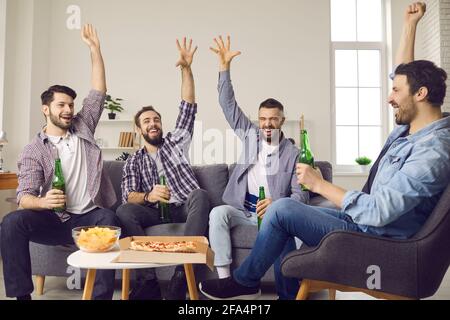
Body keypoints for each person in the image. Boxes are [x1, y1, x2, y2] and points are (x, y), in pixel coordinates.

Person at [199, 2, 450, 300]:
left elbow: (380, 211)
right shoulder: (410, 130)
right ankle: (262, 286)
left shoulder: (433, 149)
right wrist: (409, 26)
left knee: (279, 210)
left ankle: (247, 282)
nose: (389, 98)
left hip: (378, 238)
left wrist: (321, 184)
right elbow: (403, 77)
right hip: (357, 223)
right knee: (279, 214)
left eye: (395, 91)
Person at [1, 25, 119, 300]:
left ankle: (100, 297)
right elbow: (24, 197)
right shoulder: (33, 150)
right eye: (61, 105)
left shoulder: (83, 126)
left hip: (89, 217)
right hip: (54, 219)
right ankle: (21, 296)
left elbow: (99, 91)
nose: (68, 110)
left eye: (70, 105)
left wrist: (94, 49)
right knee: (11, 223)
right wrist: (43, 203)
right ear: (46, 109)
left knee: (109, 218)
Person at [202, 36, 311, 300]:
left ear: (282, 120)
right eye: (263, 119)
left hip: (270, 213)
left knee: (282, 229)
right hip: (242, 209)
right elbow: (228, 106)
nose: (267, 124)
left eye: (273, 119)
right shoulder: (250, 135)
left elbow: (302, 196)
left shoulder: (296, 155)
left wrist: (277, 203)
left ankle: (288, 295)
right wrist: (224, 69)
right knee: (218, 213)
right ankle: (228, 282)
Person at [116, 38, 210, 300]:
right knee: (124, 211)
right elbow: (128, 196)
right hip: (155, 212)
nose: (153, 123)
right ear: (139, 129)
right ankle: (148, 282)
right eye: (147, 121)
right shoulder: (134, 160)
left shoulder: (176, 141)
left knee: (201, 195)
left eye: (156, 119)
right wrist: (148, 197)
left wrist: (186, 69)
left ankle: (182, 273)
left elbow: (188, 105)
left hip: (182, 207)